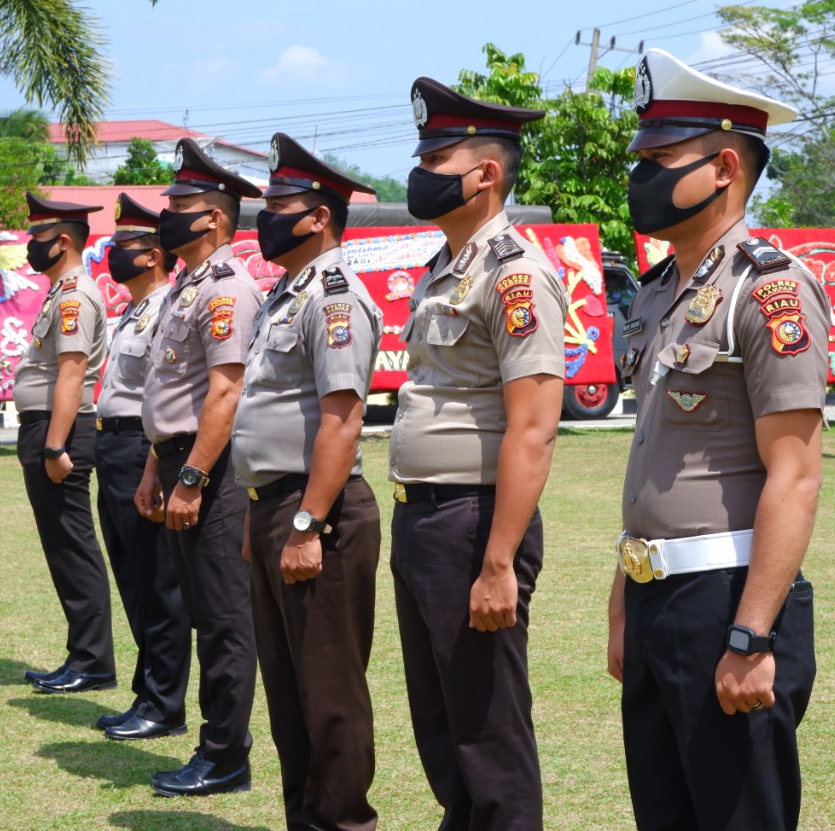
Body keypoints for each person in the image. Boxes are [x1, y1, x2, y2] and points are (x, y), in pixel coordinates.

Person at [606, 48, 826, 831]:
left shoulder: (768, 289)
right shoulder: (662, 289)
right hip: (655, 593)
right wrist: (623, 595)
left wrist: (750, 633)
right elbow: (656, 458)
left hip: (726, 600)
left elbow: (795, 476)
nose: (642, 176)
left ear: (725, 166)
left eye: (660, 160)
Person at [387, 76, 563, 830]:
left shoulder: (515, 274)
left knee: (487, 729)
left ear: (485, 174)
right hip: (423, 519)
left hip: (473, 522)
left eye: (437, 158)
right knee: (442, 719)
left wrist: (498, 562)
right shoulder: (443, 268)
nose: (420, 173)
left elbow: (534, 429)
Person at [231, 132, 383, 830]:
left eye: (279, 204)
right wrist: (257, 513)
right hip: (275, 507)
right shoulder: (282, 296)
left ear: (318, 215)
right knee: (288, 695)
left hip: (317, 513)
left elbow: (341, 421)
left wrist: (304, 523)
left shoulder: (334, 296)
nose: (266, 217)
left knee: (329, 696)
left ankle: (343, 822)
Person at [137, 139, 264, 795]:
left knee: (222, 617)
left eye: (180, 204)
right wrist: (159, 466)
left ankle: (226, 754)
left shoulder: (226, 290)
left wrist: (191, 476)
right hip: (180, 460)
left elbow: (225, 392)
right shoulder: (188, 285)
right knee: (197, 611)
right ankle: (214, 744)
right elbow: (174, 393)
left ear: (214, 217)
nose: (169, 214)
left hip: (212, 471)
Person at [92, 193, 193, 740]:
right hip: (114, 449)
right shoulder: (133, 308)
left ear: (154, 255)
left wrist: (153, 462)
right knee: (133, 580)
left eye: (125, 247)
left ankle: (164, 704)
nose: (115, 255)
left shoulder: (168, 305)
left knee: (159, 585)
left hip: (142, 450)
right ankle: (147, 691)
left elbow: (164, 393)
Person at [15, 192, 116, 694]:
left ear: (61, 242)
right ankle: (83, 653)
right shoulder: (61, 292)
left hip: (61, 431)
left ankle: (93, 660)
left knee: (73, 546)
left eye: (36, 238)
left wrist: (55, 447)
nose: (29, 247)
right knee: (63, 545)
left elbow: (72, 375)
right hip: (49, 428)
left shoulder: (75, 295)